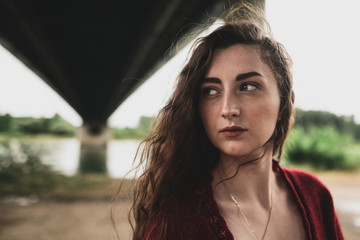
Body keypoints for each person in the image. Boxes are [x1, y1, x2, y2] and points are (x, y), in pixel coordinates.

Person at [114, 3, 344, 240]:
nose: (228, 109)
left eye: (247, 86)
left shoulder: (315, 195)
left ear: (284, 101)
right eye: (211, 91)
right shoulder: (177, 223)